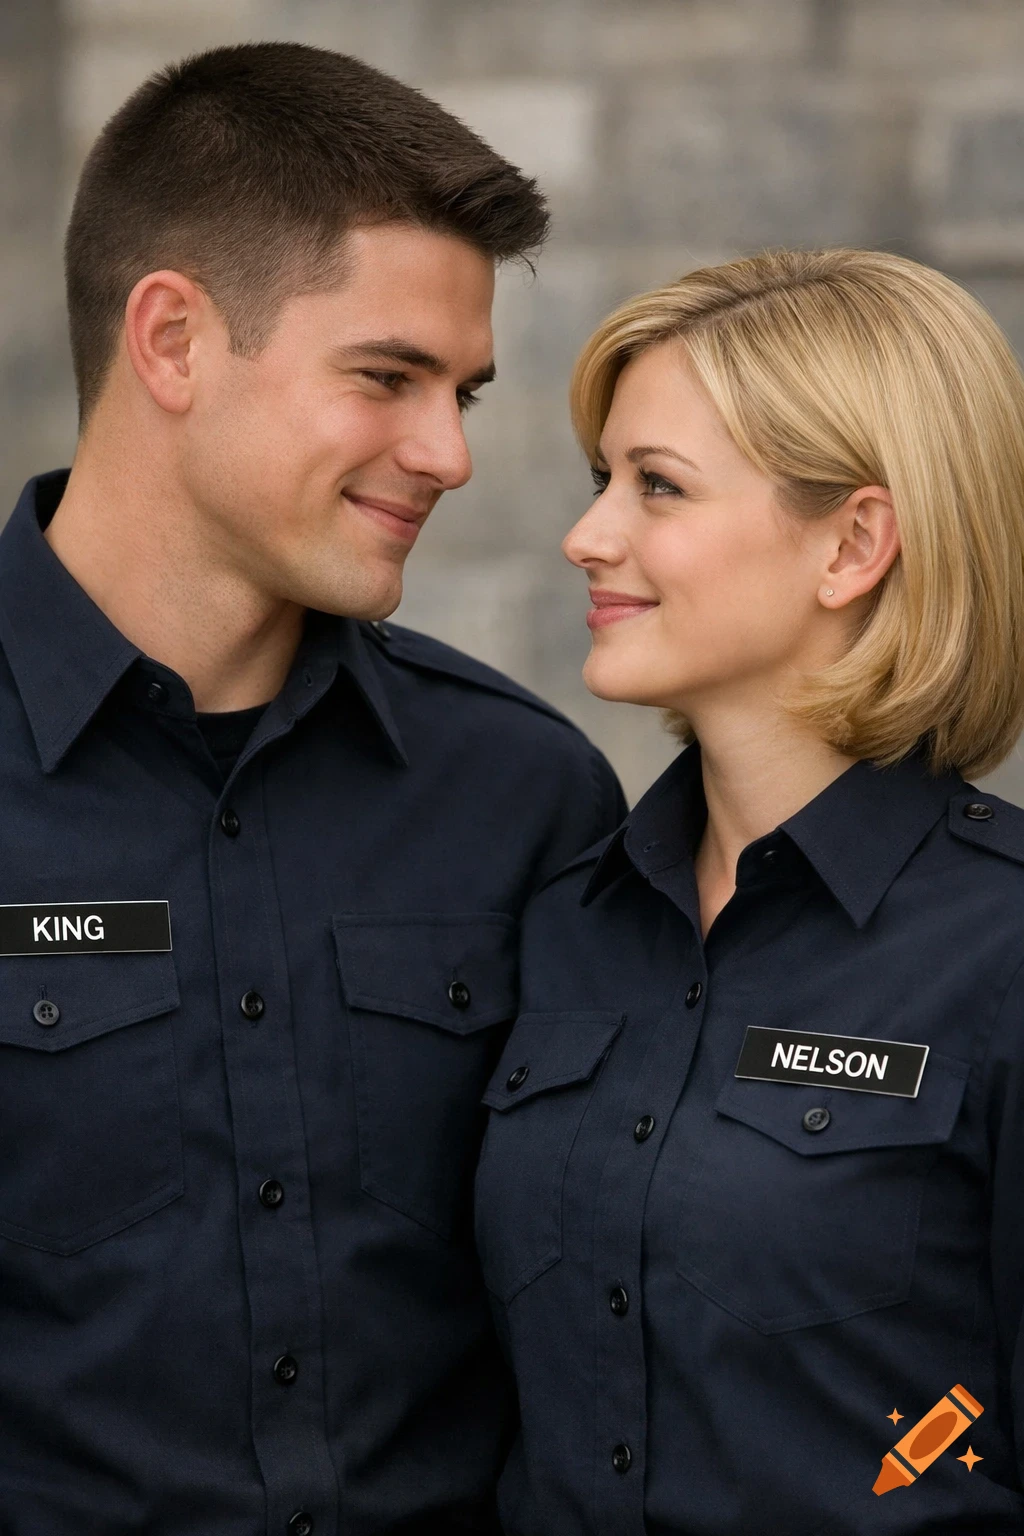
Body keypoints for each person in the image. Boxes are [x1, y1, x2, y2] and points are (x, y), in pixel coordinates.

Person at [0, 42, 624, 1536]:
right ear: (171, 340)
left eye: (462, 390)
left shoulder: (529, 796)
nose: (452, 453)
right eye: (388, 378)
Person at [474, 248, 1024, 1534]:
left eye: (656, 486)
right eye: (601, 479)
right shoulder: (562, 921)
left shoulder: (1001, 949)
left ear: (853, 543)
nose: (587, 535)